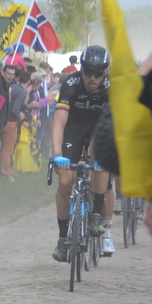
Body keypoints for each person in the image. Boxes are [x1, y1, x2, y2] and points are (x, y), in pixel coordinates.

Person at [51, 45, 114, 261]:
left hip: (99, 128)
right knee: (65, 182)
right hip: (74, 128)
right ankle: (62, 238)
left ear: (105, 71)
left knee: (99, 157)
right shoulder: (71, 83)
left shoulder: (110, 86)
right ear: (82, 69)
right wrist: (57, 154)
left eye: (98, 73)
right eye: (88, 72)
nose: (92, 78)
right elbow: (59, 122)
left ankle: (97, 214)